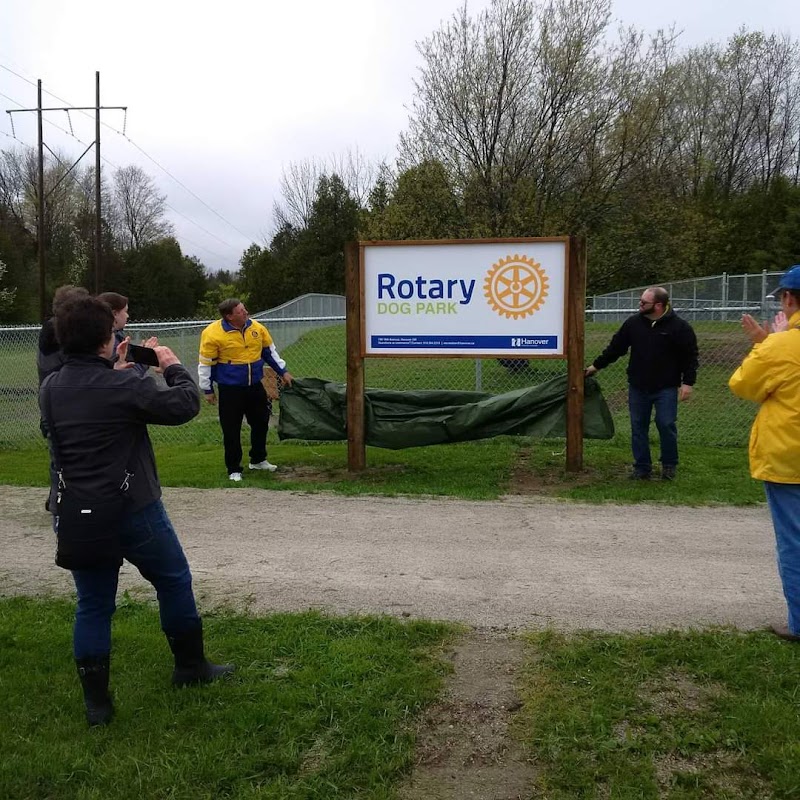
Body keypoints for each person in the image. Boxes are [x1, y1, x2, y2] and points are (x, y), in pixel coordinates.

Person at [40, 296, 233, 727]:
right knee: (173, 580)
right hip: (134, 508)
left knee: (92, 605)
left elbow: (89, 403)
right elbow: (184, 404)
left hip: (78, 513)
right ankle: (190, 666)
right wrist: (171, 365)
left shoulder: (50, 388)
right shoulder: (123, 385)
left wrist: (116, 373)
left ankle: (97, 704)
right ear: (106, 340)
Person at [729, 264, 800, 643]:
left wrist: (768, 342)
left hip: (791, 459)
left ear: (788, 299)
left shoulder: (783, 343)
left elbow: (743, 384)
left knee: (794, 540)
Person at [585, 286, 698, 480]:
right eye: (640, 301)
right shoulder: (633, 324)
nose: (640, 305)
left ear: (659, 305)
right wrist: (596, 366)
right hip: (638, 386)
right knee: (638, 426)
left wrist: (687, 383)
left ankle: (669, 465)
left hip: (666, 387)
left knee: (666, 424)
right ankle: (642, 467)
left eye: (644, 303)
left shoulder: (679, 328)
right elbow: (616, 348)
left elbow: (690, 357)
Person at [198, 298, 293, 481]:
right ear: (229, 316)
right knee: (231, 429)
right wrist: (207, 389)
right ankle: (234, 468)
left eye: (244, 309)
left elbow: (269, 352)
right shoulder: (212, 333)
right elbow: (205, 364)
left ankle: (258, 460)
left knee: (261, 422)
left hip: (255, 385)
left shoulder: (257, 328)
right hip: (230, 389)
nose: (246, 312)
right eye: (241, 311)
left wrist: (283, 371)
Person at [97, 291, 157, 373]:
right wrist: (145, 358)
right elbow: (128, 376)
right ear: (115, 314)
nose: (127, 316)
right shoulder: (110, 341)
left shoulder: (114, 336)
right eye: (125, 311)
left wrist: (139, 354)